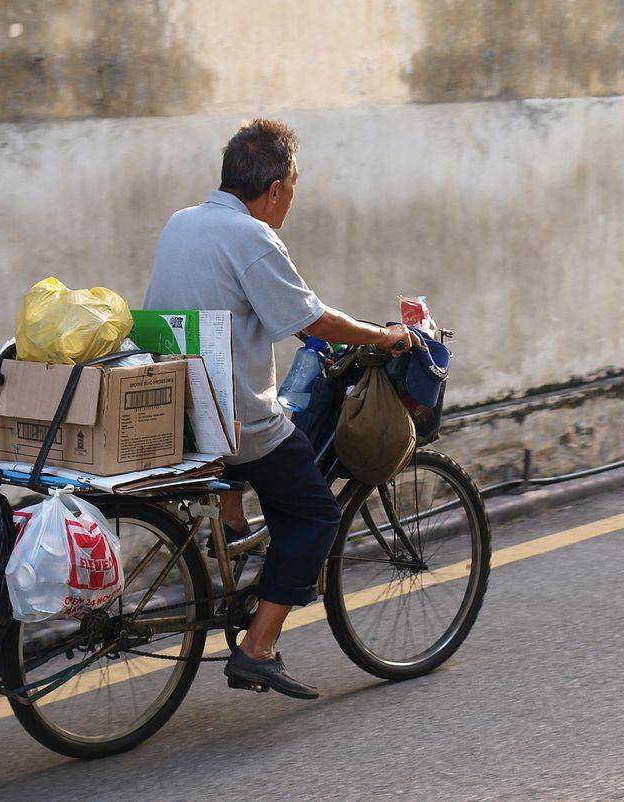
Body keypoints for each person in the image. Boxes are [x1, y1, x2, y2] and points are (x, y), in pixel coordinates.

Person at [143, 118, 418, 699]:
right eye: (293, 185)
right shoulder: (253, 237)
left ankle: (233, 531)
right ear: (274, 188)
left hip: (175, 409)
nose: (293, 196)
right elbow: (310, 318)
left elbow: (252, 308)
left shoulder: (182, 222)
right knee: (315, 514)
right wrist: (382, 336)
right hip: (234, 421)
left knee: (263, 449)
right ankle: (258, 648)